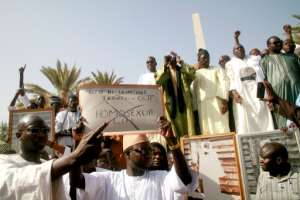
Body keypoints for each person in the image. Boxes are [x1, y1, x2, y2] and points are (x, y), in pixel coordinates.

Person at [71, 117, 193, 200]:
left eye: (150, 150)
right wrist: (77, 143)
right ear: (127, 154)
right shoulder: (109, 181)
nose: (149, 154)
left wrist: (172, 141)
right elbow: (77, 181)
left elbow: (184, 180)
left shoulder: (161, 178)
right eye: (143, 150)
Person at [0, 114, 108, 200]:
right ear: (19, 135)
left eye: (45, 131)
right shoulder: (5, 161)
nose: (42, 135)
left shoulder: (48, 164)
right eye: (34, 130)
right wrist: (75, 156)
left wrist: (77, 141)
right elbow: (18, 181)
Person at [226, 31, 274, 134]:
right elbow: (231, 80)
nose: (239, 49)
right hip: (242, 94)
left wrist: (268, 94)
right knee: (244, 120)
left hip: (259, 92)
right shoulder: (230, 64)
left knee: (263, 117)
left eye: (241, 48)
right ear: (233, 52)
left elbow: (262, 76)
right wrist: (234, 93)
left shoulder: (254, 59)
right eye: (236, 49)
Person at [260, 35, 300, 128]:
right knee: (283, 116)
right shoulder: (264, 61)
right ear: (268, 45)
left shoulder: (293, 57)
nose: (278, 44)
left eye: (279, 42)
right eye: (274, 43)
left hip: (297, 90)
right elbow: (263, 79)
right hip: (278, 92)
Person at [155, 52, 196, 137]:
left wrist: (181, 62)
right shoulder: (164, 72)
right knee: (174, 132)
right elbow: (158, 81)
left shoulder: (182, 70)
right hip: (171, 107)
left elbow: (192, 74)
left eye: (173, 58)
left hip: (185, 105)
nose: (172, 60)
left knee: (188, 131)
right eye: (169, 58)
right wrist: (165, 65)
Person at [192, 49, 229, 134]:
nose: (206, 60)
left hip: (217, 103)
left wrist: (224, 101)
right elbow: (193, 91)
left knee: (221, 128)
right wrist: (195, 108)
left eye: (208, 58)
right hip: (203, 106)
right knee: (206, 130)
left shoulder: (217, 70)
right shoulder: (195, 73)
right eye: (204, 58)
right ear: (198, 60)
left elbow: (223, 84)